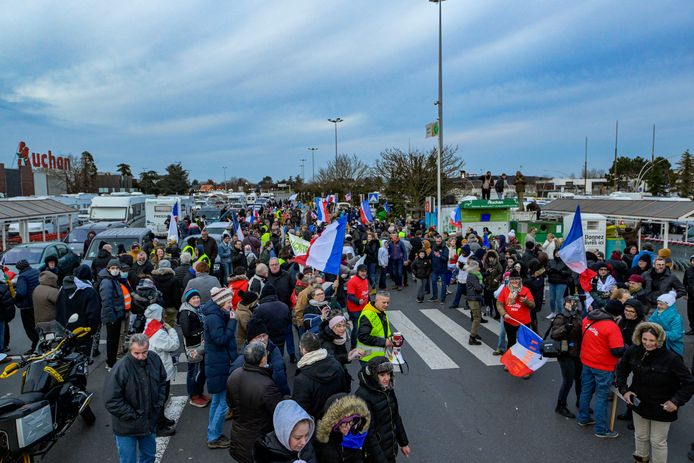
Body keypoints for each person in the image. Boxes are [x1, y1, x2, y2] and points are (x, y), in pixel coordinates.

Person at [616, 322, 694, 463]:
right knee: (640, 436)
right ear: (639, 337)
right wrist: (624, 390)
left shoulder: (672, 358)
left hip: (662, 407)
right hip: (639, 403)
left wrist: (675, 401)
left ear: (659, 340)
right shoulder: (633, 350)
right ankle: (640, 460)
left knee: (658, 442)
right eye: (644, 339)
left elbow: (689, 383)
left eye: (652, 340)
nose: (647, 343)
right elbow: (621, 369)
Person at [103, 334, 167, 463]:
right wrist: (133, 415)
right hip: (127, 427)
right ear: (130, 350)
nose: (141, 357)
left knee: (149, 456)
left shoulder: (154, 359)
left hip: (149, 422)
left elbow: (162, 382)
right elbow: (111, 400)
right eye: (137, 353)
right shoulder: (121, 368)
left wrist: (158, 403)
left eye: (144, 352)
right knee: (128, 460)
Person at [227, 341, 284, 463]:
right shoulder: (266, 385)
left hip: (238, 437)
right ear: (263, 359)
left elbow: (230, 402)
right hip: (258, 441)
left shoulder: (234, 375)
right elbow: (278, 413)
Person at [576, 301, 625, 438]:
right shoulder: (611, 326)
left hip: (587, 361)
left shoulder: (588, 318)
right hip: (604, 366)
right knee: (602, 397)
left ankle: (583, 418)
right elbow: (617, 351)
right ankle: (601, 429)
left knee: (585, 391)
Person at [355, 357, 410, 463]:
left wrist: (403, 443)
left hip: (389, 450)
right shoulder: (362, 396)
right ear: (373, 376)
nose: (387, 378)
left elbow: (395, 417)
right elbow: (368, 434)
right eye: (382, 375)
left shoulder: (387, 389)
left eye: (388, 374)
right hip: (374, 455)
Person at [202, 286, 237, 449]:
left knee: (217, 400)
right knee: (223, 403)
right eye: (229, 301)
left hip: (217, 362)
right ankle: (214, 436)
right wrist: (232, 322)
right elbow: (221, 339)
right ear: (221, 302)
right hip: (219, 363)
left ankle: (212, 432)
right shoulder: (215, 318)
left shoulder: (215, 314)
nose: (231, 304)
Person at [292, 332, 351, 420]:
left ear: (303, 349)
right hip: (338, 417)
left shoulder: (301, 379)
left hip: (318, 423)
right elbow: (345, 389)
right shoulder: (337, 365)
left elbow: (301, 410)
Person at [143, 303, 179, 437]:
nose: (164, 315)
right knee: (160, 399)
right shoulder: (158, 332)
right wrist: (171, 330)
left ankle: (162, 419)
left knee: (160, 398)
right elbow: (174, 345)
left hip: (155, 368)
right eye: (162, 313)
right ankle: (159, 427)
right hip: (161, 368)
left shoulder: (149, 326)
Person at [231, 318, 290, 395]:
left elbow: (282, 378)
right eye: (258, 337)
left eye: (264, 335)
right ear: (250, 340)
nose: (262, 339)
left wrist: (286, 395)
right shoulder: (240, 363)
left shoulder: (274, 350)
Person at [550, 295, 583, 418]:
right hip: (565, 353)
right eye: (570, 302)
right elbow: (554, 334)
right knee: (568, 381)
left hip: (578, 353)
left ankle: (581, 402)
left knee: (580, 379)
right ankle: (561, 406)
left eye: (575, 302)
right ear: (565, 304)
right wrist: (565, 328)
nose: (573, 304)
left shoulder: (579, 315)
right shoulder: (561, 317)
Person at [253, 399, 317, 463]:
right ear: (284, 434)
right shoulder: (265, 452)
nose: (304, 442)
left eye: (306, 435)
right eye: (298, 438)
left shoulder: (307, 446)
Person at [314, 393, 371, 463]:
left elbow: (358, 458)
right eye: (343, 424)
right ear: (334, 423)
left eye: (351, 422)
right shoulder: (323, 442)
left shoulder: (354, 433)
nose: (348, 427)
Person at [178, 289, 209, 408]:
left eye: (197, 297)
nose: (196, 300)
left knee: (203, 371)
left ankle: (199, 392)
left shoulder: (197, 309)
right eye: (193, 298)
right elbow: (187, 332)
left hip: (200, 344)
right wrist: (204, 329)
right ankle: (194, 396)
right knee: (193, 372)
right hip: (192, 347)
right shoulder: (185, 312)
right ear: (188, 300)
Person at [496, 272, 535, 349]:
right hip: (509, 321)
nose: (515, 281)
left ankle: (522, 358)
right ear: (509, 280)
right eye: (512, 279)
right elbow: (499, 304)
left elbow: (533, 305)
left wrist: (525, 301)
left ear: (520, 280)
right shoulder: (505, 290)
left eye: (517, 279)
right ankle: (510, 358)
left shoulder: (525, 290)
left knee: (524, 342)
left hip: (524, 322)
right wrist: (504, 314)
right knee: (511, 341)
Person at [100, 259, 126, 370]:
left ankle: (112, 360)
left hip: (116, 314)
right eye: (112, 268)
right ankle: (111, 362)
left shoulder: (113, 279)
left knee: (114, 339)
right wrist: (111, 317)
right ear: (108, 269)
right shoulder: (107, 282)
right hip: (113, 315)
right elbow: (106, 301)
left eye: (117, 268)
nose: (115, 270)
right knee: (112, 339)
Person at [253, 283, 291, 356]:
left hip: (266, 340)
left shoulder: (259, 309)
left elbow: (255, 325)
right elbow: (288, 321)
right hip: (281, 338)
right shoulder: (284, 306)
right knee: (279, 356)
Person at [357, 292, 394, 365]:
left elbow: (384, 332)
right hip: (368, 358)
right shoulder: (367, 315)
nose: (386, 305)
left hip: (377, 356)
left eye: (388, 302)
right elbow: (363, 337)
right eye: (384, 302)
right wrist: (384, 342)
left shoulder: (381, 312)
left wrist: (393, 338)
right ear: (376, 301)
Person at [14, 259, 40, 353]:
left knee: (30, 328)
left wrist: (15, 299)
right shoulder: (36, 272)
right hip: (37, 303)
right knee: (37, 326)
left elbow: (21, 292)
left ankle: (35, 346)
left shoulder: (22, 276)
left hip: (27, 306)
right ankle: (40, 345)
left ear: (20, 268)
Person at [649, 292, 684, 358]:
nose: (658, 306)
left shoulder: (676, 318)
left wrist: (659, 332)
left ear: (669, 305)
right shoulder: (657, 312)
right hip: (657, 341)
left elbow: (676, 335)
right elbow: (651, 322)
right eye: (658, 303)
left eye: (661, 304)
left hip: (671, 345)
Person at [151, 259, 182, 327]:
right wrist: (177, 307)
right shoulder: (174, 279)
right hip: (170, 307)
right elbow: (176, 295)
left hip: (157, 306)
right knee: (169, 327)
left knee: (157, 326)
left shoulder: (153, 278)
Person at [346, 265, 369, 348]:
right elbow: (350, 296)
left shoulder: (366, 280)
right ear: (358, 271)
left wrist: (369, 303)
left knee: (363, 327)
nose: (363, 273)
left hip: (364, 308)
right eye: (362, 271)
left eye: (365, 271)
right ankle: (353, 348)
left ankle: (362, 344)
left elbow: (366, 293)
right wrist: (358, 301)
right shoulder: (352, 281)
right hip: (354, 310)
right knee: (356, 329)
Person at [465, 260, 485, 346]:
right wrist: (483, 286)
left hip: (474, 298)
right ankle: (472, 337)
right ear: (474, 268)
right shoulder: (472, 276)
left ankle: (475, 333)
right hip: (473, 299)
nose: (479, 268)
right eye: (477, 267)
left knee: (476, 317)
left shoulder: (472, 275)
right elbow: (478, 288)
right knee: (477, 318)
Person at [429, 235, 449, 303]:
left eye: (439, 241)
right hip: (435, 268)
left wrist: (439, 256)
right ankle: (435, 297)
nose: (438, 242)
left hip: (443, 268)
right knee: (433, 282)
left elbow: (446, 259)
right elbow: (431, 255)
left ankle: (442, 298)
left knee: (443, 284)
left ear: (441, 240)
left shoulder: (445, 248)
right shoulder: (434, 246)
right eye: (437, 241)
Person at [683, 254, 694, 335]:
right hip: (690, 295)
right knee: (690, 313)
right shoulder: (688, 270)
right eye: (692, 260)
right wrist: (685, 293)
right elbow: (684, 283)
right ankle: (693, 328)